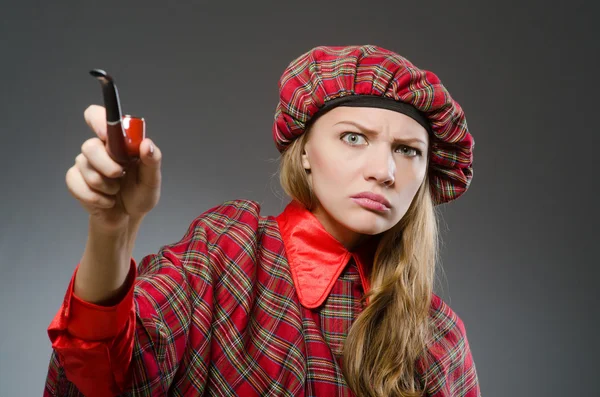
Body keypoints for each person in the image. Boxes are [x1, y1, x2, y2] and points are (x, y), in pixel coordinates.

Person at [44, 45, 480, 397]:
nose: (384, 170)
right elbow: (102, 376)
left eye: (408, 150)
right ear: (305, 151)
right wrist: (112, 230)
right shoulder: (228, 253)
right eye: (354, 138)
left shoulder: (439, 337)